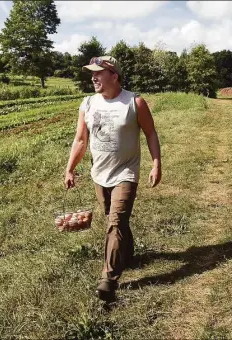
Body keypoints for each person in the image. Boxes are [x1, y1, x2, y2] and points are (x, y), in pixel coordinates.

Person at [64, 56, 162, 303]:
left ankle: (109, 278)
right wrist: (70, 169)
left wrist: (156, 163)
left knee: (116, 222)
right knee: (115, 220)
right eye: (92, 74)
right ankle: (127, 254)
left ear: (114, 76)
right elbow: (80, 140)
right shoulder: (87, 104)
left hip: (126, 173)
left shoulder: (134, 102)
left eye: (99, 73)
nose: (94, 78)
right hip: (100, 174)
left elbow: (150, 133)